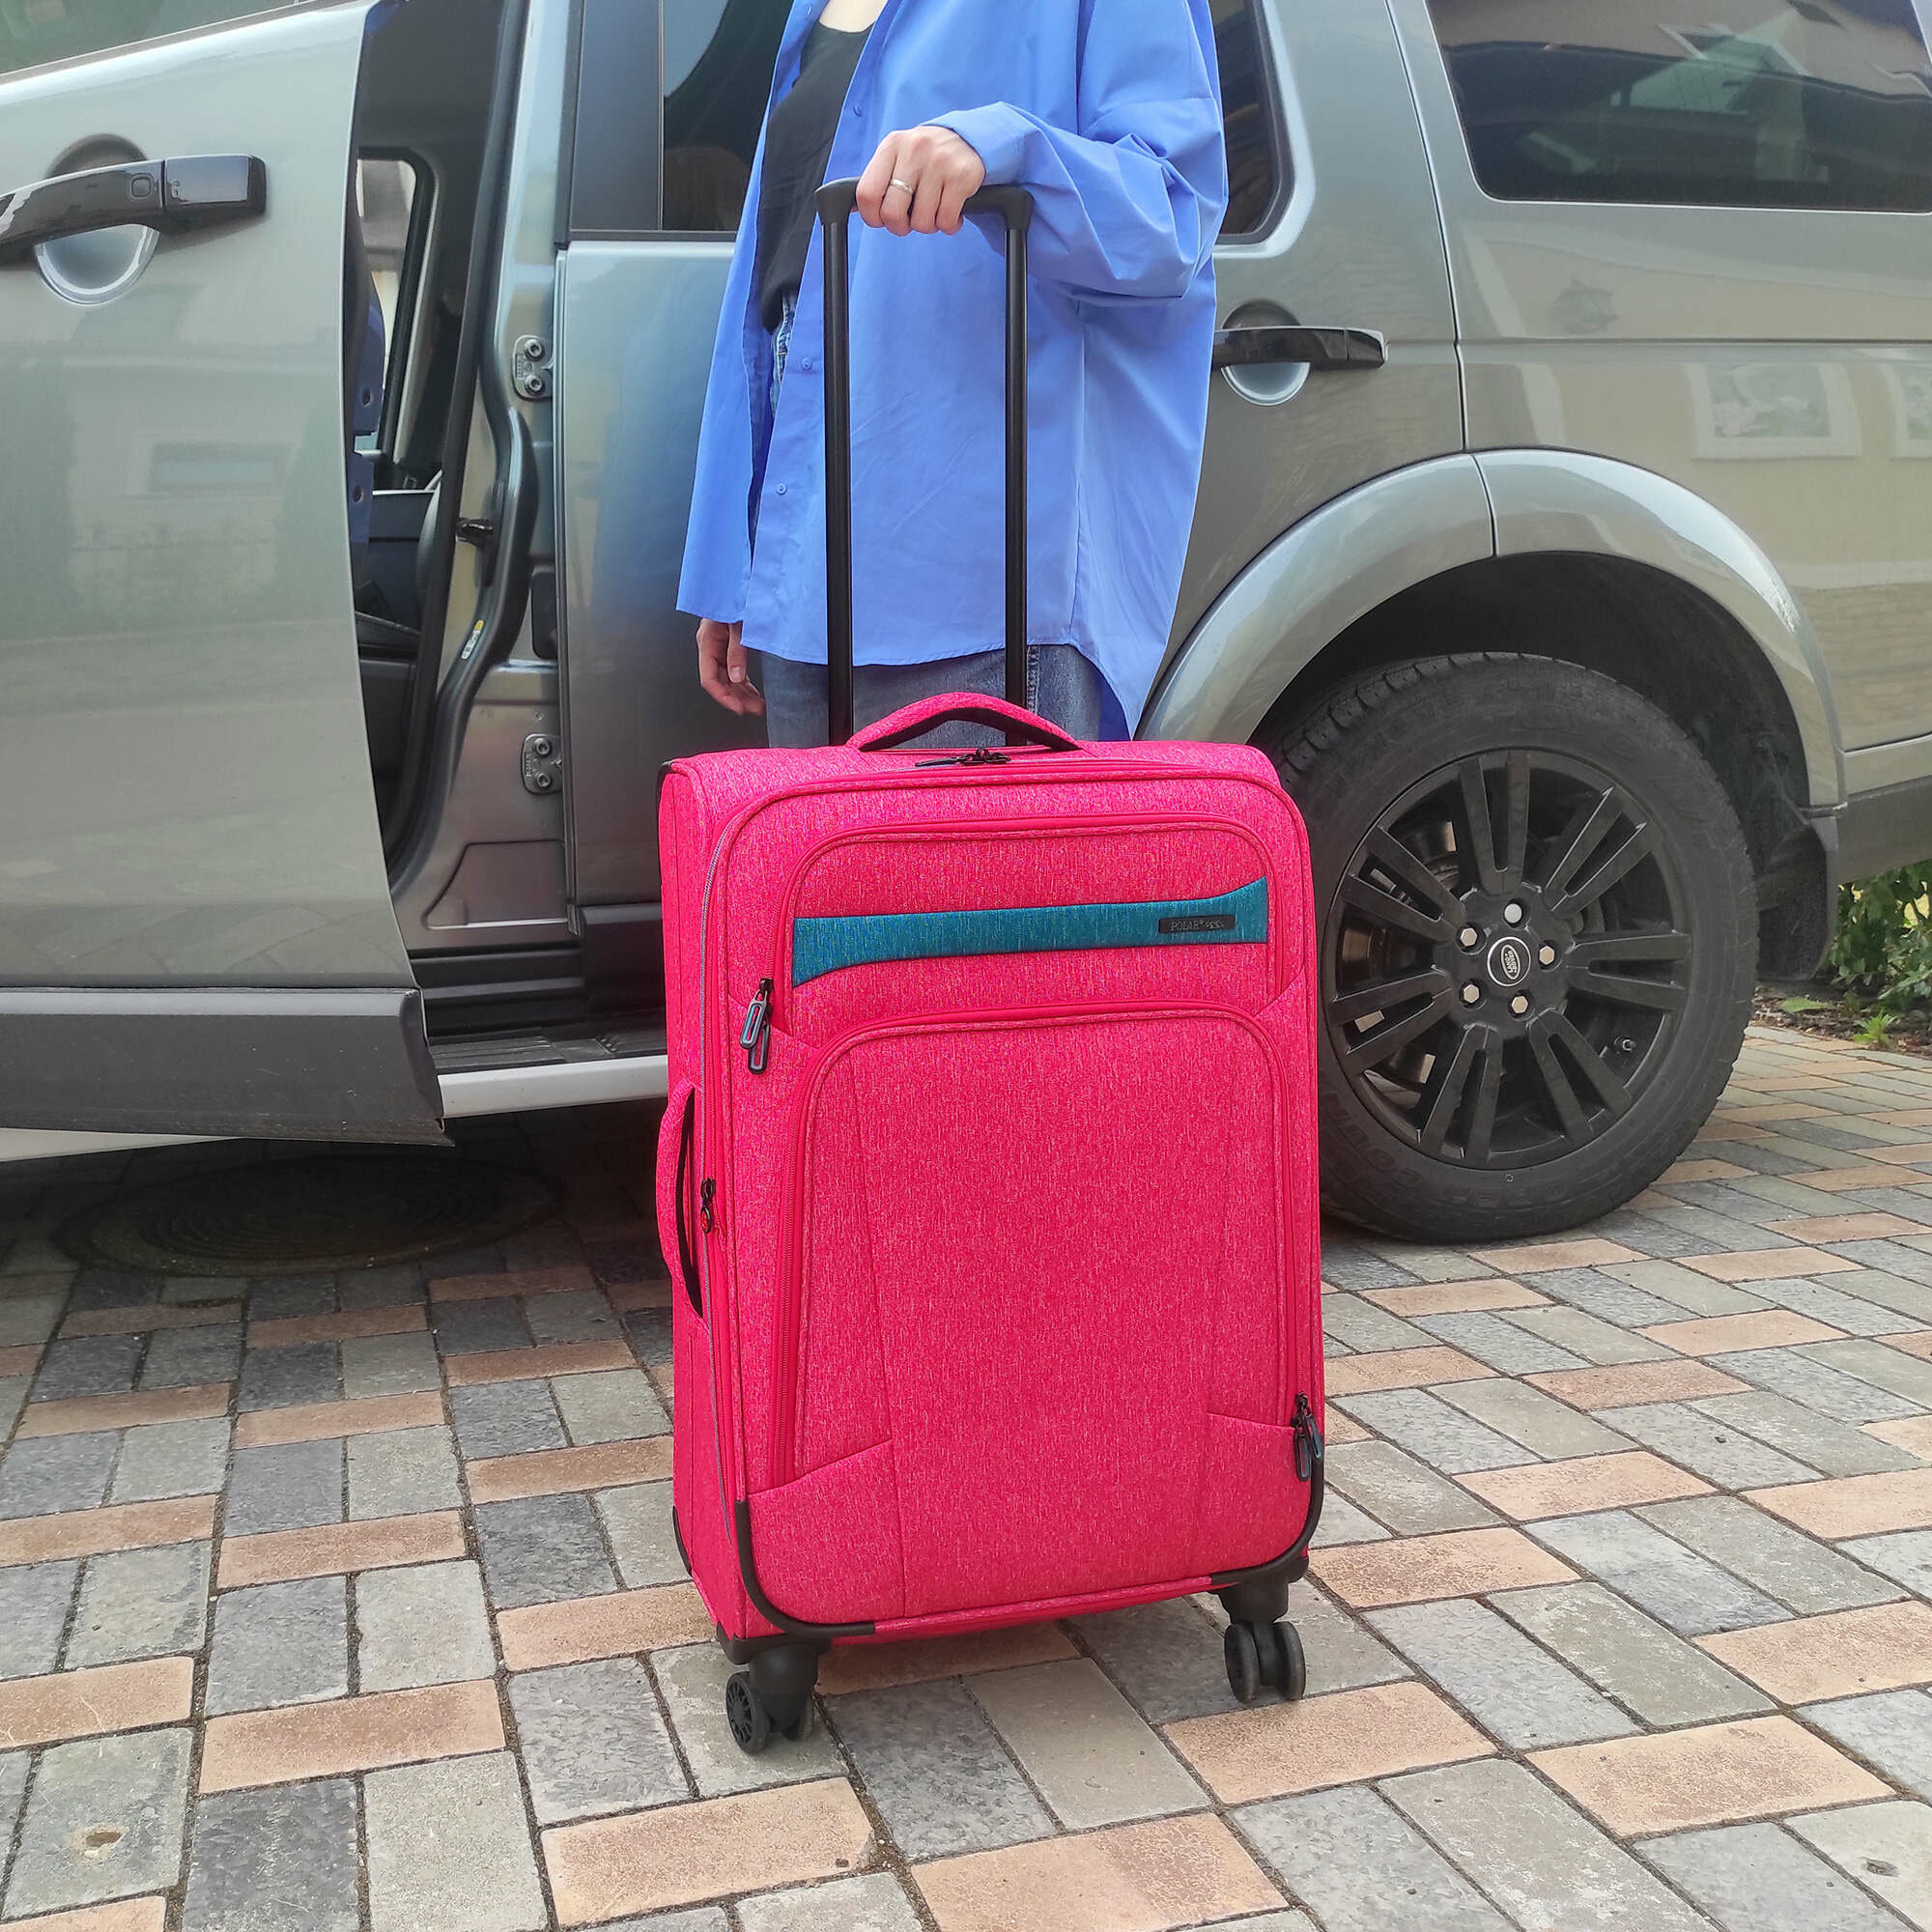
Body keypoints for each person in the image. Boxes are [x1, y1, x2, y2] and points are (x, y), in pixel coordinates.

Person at [679, 0, 1229, 748]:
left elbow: (1174, 212)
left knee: (968, 830)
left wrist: (1005, 147)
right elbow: (776, 286)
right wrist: (739, 561)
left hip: (977, 577)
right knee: (817, 832)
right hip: (806, 570)